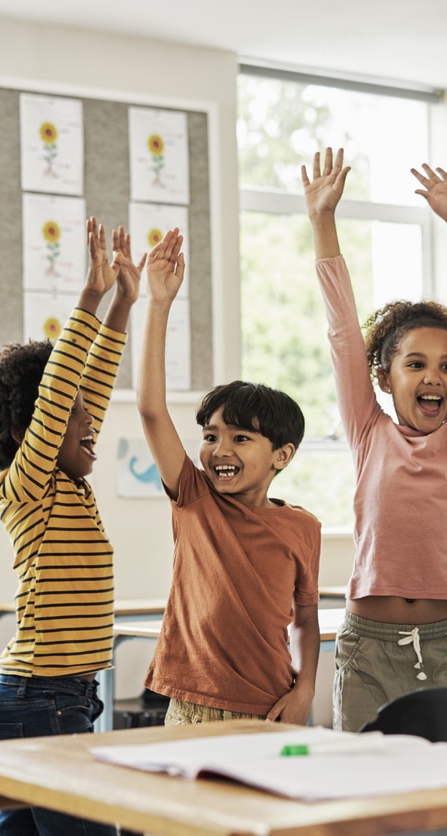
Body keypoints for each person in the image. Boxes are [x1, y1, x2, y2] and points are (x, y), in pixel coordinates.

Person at [303, 148, 447, 732]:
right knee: (371, 809)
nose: (434, 377)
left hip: (446, 648)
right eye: (415, 364)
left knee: (446, 808)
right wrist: (323, 223)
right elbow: (344, 333)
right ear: (383, 378)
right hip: (367, 649)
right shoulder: (370, 433)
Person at [0, 218, 137, 836]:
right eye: (73, 418)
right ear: (24, 432)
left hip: (57, 697)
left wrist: (124, 303)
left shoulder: (71, 487)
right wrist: (89, 296)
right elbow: (63, 385)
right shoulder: (28, 486)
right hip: (42, 700)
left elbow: (89, 380)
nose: (91, 424)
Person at [137, 227, 322, 726]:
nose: (220, 450)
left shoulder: (304, 528)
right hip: (192, 706)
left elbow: (306, 617)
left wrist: (305, 691)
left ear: (281, 455)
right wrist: (158, 305)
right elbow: (152, 410)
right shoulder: (194, 498)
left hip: (270, 708)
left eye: (241, 438)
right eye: (212, 435)